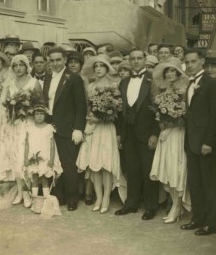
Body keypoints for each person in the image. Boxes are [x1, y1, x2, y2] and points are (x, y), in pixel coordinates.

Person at [181, 49, 216, 236]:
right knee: (195, 182)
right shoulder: (190, 84)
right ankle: (198, 218)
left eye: (193, 61)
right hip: (192, 141)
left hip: (206, 143)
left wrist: (208, 142)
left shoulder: (211, 84)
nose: (190, 65)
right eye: (187, 62)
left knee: (209, 183)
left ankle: (212, 222)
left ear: (202, 62)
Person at [115, 49, 160, 220]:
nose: (135, 61)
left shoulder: (152, 80)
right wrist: (120, 133)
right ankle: (131, 204)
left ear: (144, 60)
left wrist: (155, 133)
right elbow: (120, 110)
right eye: (132, 59)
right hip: (128, 131)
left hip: (146, 132)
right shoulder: (124, 81)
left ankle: (151, 206)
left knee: (148, 169)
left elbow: (158, 109)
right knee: (132, 168)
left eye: (139, 58)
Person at [43, 47, 87, 211]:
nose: (55, 63)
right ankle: (59, 195)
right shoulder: (47, 78)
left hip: (67, 127)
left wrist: (78, 128)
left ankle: (72, 198)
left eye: (58, 60)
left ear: (64, 60)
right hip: (51, 126)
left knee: (68, 164)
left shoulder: (73, 78)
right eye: (52, 60)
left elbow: (80, 106)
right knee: (54, 161)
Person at [76, 55, 121, 214]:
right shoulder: (90, 86)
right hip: (92, 128)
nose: (99, 69)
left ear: (107, 68)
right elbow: (87, 108)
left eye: (102, 66)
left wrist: (102, 117)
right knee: (94, 164)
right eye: (96, 66)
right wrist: (89, 119)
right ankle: (99, 197)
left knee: (105, 164)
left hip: (106, 128)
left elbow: (116, 111)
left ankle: (107, 198)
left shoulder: (114, 86)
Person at [0, 54, 43, 205]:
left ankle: (28, 193)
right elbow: (4, 106)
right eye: (15, 66)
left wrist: (28, 110)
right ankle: (20, 192)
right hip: (14, 125)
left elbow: (40, 105)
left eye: (21, 65)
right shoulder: (9, 84)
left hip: (28, 124)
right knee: (15, 157)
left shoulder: (34, 83)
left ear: (27, 66)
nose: (18, 68)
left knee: (26, 157)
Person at [149, 57, 191, 223]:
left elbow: (184, 115)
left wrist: (171, 127)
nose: (170, 74)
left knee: (176, 169)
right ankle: (175, 204)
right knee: (167, 169)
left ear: (179, 72)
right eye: (167, 71)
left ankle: (177, 206)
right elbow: (159, 113)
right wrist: (163, 124)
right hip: (165, 134)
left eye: (173, 70)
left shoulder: (183, 90)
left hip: (177, 134)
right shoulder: (162, 91)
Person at [24, 104, 62, 202]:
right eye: (37, 114)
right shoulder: (30, 128)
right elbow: (27, 144)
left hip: (46, 157)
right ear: (33, 116)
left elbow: (53, 145)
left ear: (45, 116)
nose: (39, 116)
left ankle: (46, 201)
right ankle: (35, 201)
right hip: (33, 157)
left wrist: (52, 160)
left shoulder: (49, 127)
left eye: (42, 114)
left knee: (45, 178)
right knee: (35, 178)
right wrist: (25, 159)